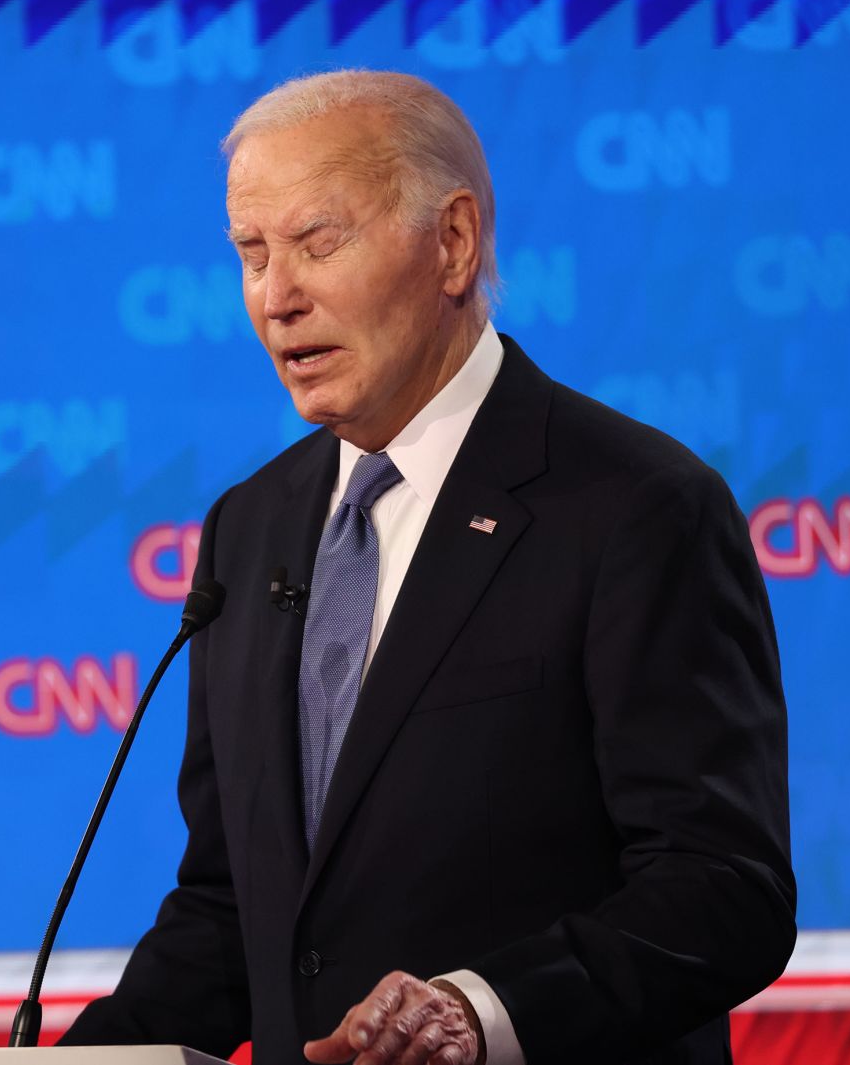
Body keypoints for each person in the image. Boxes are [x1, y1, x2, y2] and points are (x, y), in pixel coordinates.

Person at [60, 69, 795, 1065]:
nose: (277, 297)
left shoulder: (632, 505)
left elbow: (721, 888)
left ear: (452, 242)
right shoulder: (250, 526)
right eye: (252, 253)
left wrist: (484, 1008)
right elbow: (236, 907)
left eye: (318, 241)